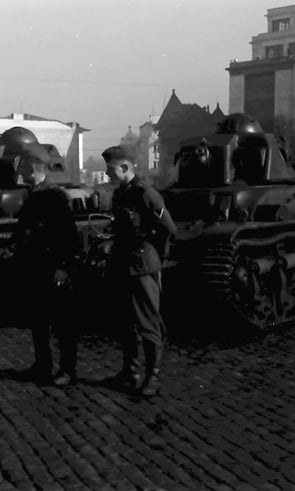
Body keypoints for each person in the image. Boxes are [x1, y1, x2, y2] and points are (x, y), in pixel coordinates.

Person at [102, 145, 177, 397]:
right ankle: (131, 372)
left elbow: (168, 229)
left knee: (148, 324)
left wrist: (155, 257)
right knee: (126, 323)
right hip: (123, 266)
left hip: (142, 267)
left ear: (125, 168)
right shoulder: (121, 194)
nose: (106, 174)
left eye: (110, 169)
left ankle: (152, 377)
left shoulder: (147, 194)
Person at [13, 144, 82, 385]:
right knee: (39, 321)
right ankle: (43, 365)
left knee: (63, 323)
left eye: (23, 168)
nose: (19, 172)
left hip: (54, 269)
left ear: (33, 168)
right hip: (36, 267)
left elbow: (69, 237)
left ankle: (67, 370)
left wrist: (63, 267)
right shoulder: (33, 195)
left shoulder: (53, 196)